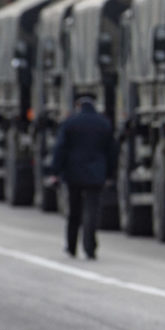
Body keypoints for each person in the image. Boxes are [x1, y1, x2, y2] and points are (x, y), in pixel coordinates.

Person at [49, 93, 118, 260]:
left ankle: (71, 246)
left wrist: (55, 172)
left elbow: (60, 149)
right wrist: (110, 173)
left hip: (73, 174)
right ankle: (90, 247)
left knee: (74, 211)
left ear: (78, 105)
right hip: (96, 174)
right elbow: (112, 152)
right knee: (92, 212)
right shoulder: (103, 123)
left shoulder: (70, 122)